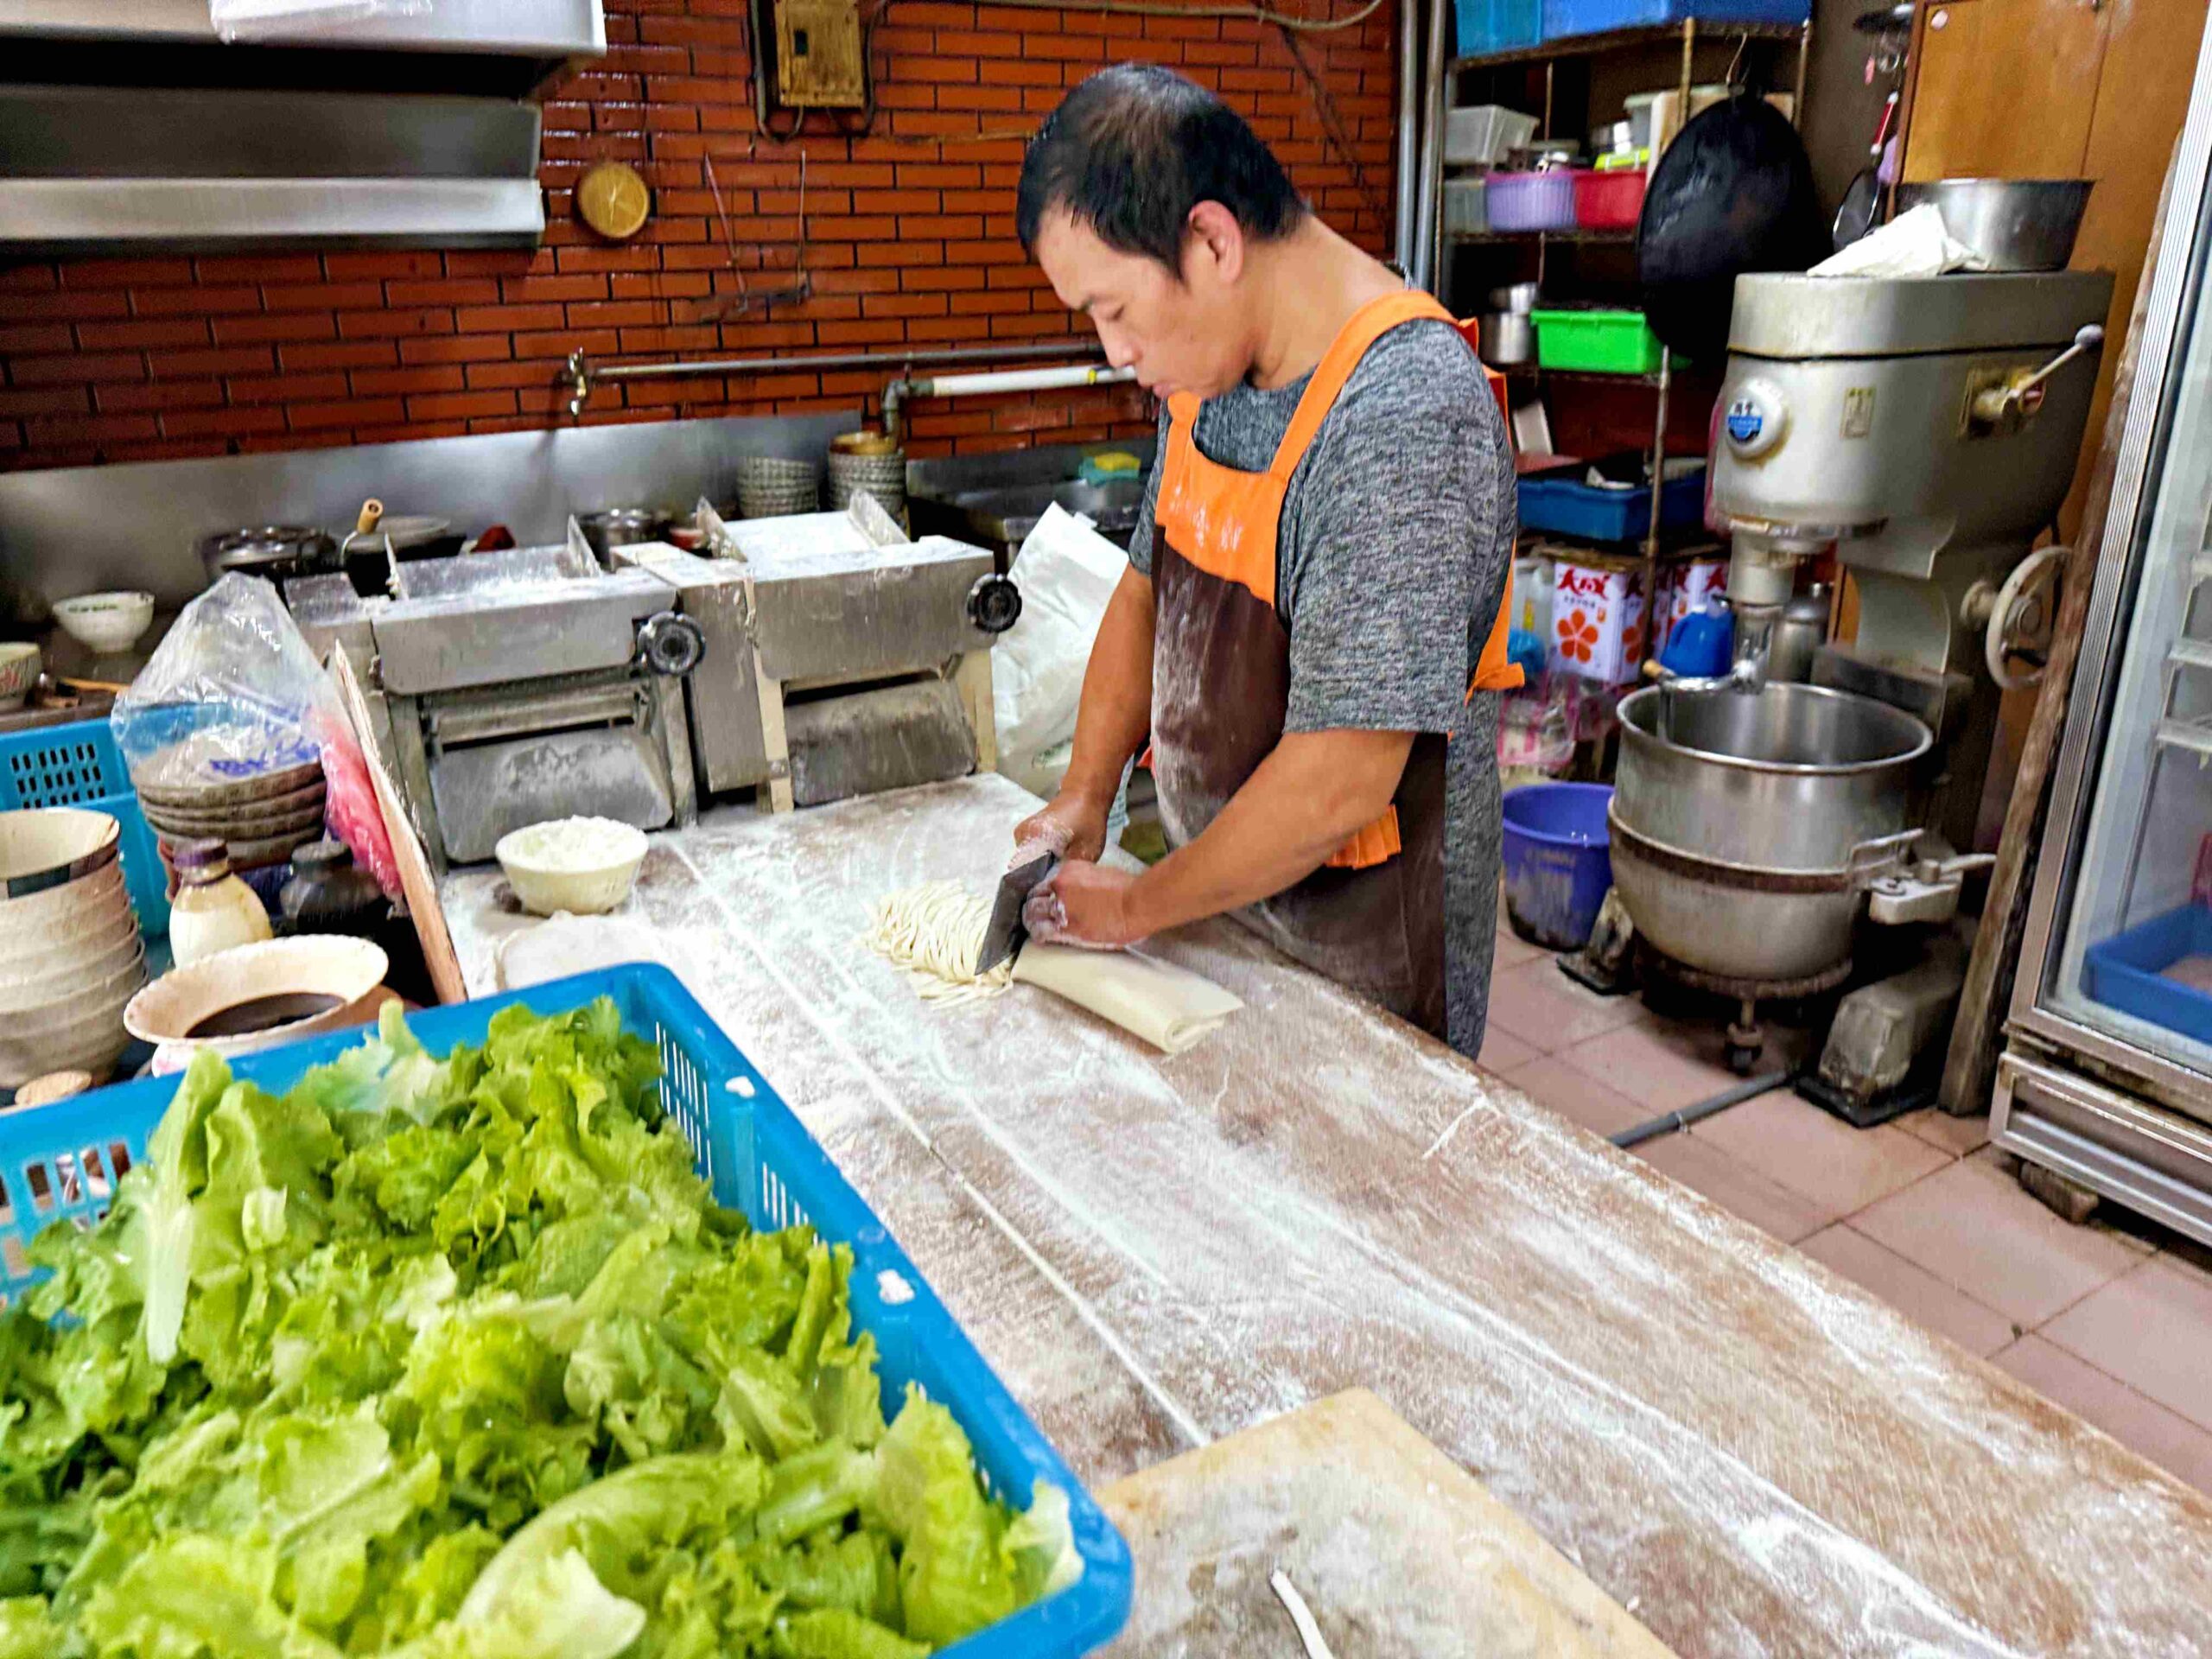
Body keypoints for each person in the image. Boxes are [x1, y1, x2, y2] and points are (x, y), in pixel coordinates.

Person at [1009, 62, 1520, 1061]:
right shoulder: (1206, 367)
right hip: (1221, 910)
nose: (1114, 351)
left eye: (1114, 309)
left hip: (1363, 955)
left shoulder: (1398, 414)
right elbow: (1145, 590)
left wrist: (1135, 906)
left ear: (1211, 241)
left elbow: (1340, 779)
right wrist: (1084, 794)